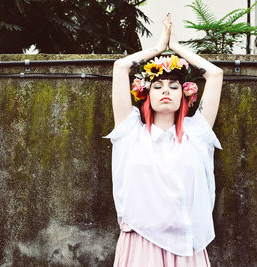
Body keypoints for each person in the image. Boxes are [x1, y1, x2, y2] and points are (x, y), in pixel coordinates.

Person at [104, 13, 223, 266]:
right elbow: (120, 67)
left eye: (173, 86)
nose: (166, 91)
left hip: (186, 245)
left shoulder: (196, 133)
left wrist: (177, 49)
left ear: (184, 94)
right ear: (146, 95)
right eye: (157, 87)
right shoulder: (131, 132)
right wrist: (158, 48)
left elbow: (214, 74)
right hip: (140, 242)